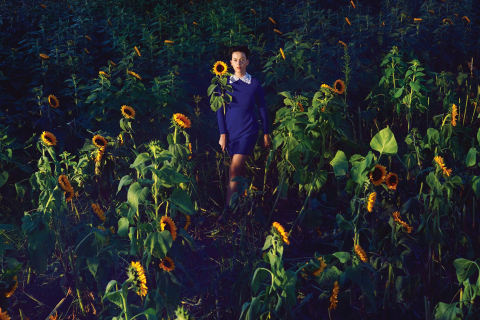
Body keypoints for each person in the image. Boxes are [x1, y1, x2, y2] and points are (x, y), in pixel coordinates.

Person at [216, 45, 272, 223]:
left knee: (233, 169)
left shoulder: (254, 84)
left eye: (242, 59)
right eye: (235, 60)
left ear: (247, 61)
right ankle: (245, 207)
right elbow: (219, 111)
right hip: (231, 133)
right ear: (230, 63)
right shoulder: (224, 83)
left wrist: (266, 133)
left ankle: (227, 212)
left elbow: (262, 108)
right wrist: (222, 134)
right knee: (239, 171)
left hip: (248, 131)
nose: (238, 63)